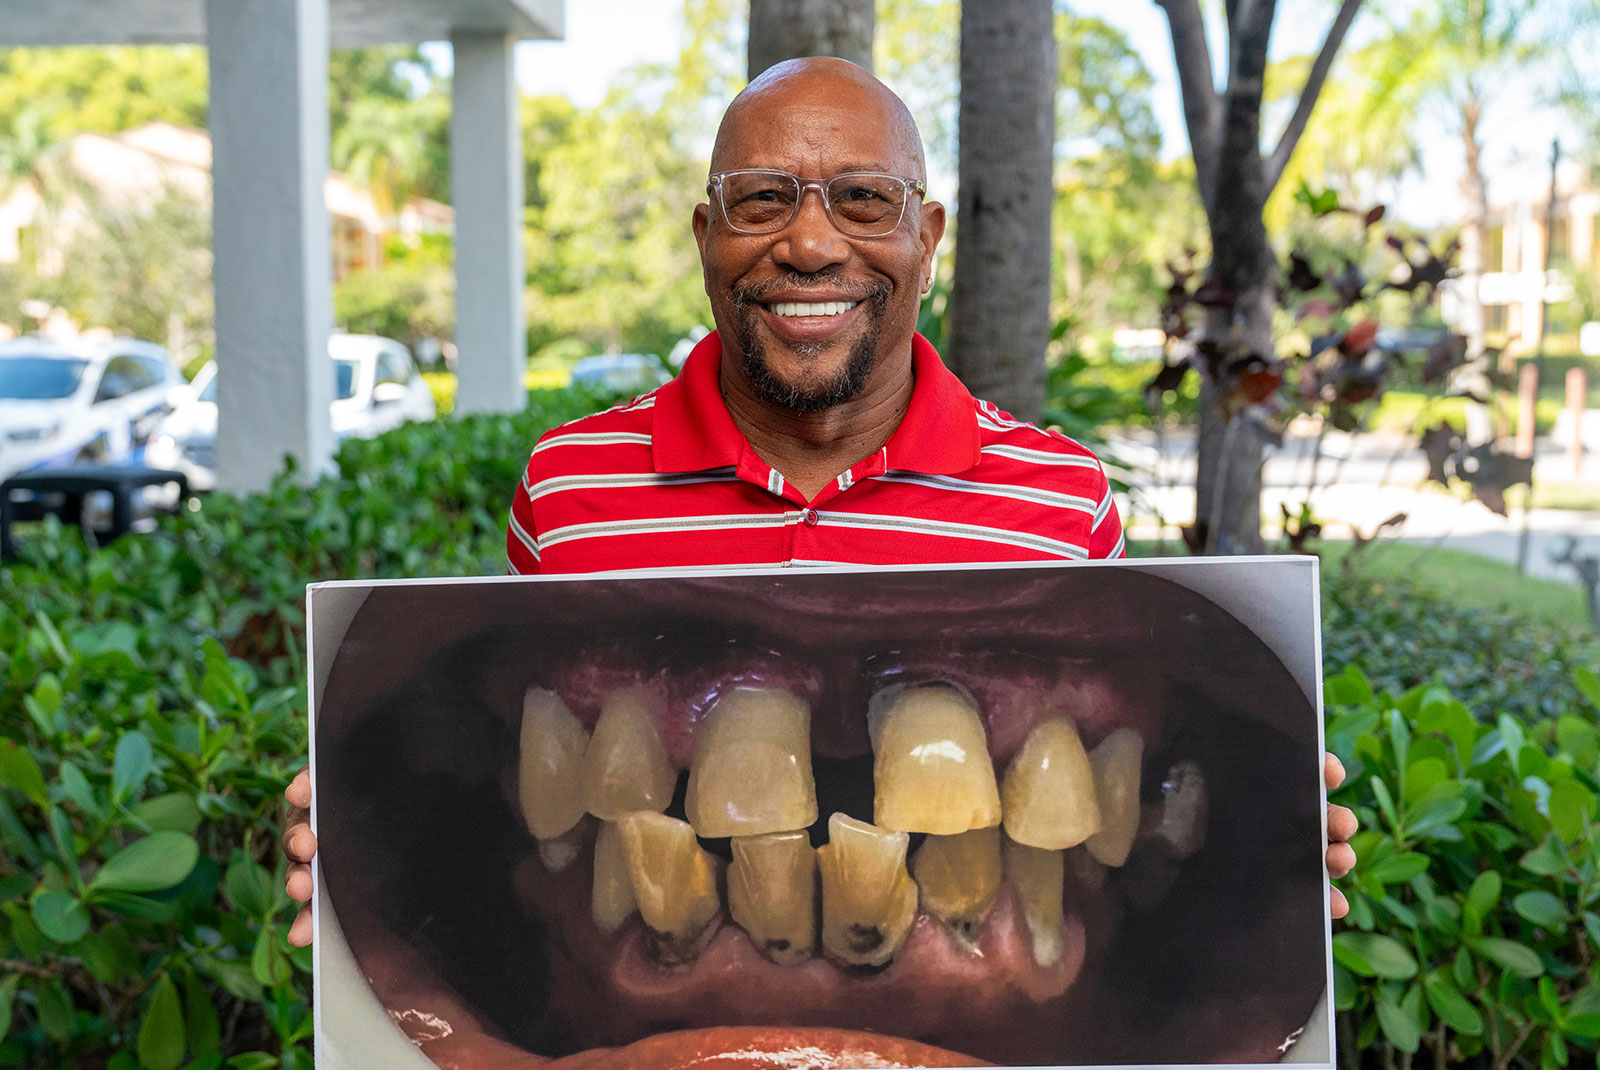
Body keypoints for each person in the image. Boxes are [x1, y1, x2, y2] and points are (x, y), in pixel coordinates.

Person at [282, 53, 1357, 1047]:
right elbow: (521, 778)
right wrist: (349, 832)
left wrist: (1271, 822)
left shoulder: (1057, 496)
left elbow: (1094, 824)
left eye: (863, 199)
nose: (809, 242)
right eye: (761, 199)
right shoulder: (573, 486)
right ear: (706, 233)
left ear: (926, 236)